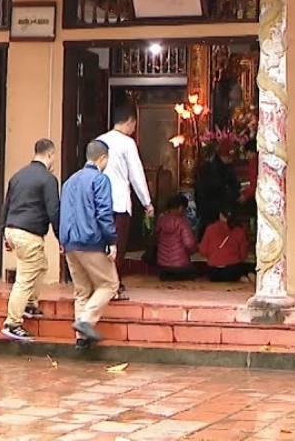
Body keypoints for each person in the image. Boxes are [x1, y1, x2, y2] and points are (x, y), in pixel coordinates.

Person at [0, 139, 60, 342]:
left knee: (41, 265)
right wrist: (62, 238)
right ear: (50, 154)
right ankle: (12, 323)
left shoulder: (18, 176)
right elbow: (54, 210)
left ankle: (30, 304)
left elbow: (6, 206)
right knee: (24, 280)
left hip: (12, 229)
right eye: (55, 156)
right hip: (29, 233)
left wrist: (3, 232)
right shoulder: (48, 179)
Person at [60, 139, 118, 350]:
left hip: (70, 243)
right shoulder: (100, 180)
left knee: (82, 290)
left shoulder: (69, 181)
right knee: (109, 284)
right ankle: (85, 322)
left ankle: (81, 339)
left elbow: (63, 213)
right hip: (90, 242)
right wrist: (111, 241)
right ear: (102, 158)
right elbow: (104, 214)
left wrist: (62, 240)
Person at [96, 105, 153, 301]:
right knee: (117, 245)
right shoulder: (127, 143)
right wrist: (147, 203)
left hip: (98, 202)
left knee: (101, 244)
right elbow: (136, 175)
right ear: (129, 122)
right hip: (119, 202)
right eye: (134, 125)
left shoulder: (99, 141)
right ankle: (113, 285)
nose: (133, 129)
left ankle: (101, 283)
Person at [194, 140, 240, 240]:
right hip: (214, 207)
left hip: (213, 207)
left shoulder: (219, 167)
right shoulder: (213, 170)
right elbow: (216, 188)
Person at [199, 205, 253, 283]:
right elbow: (243, 255)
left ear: (220, 215)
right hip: (232, 269)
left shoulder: (210, 228)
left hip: (214, 271)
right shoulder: (239, 230)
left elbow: (203, 251)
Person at [155, 194, 198, 281]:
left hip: (163, 267)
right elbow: (189, 244)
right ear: (181, 208)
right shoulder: (182, 222)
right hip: (181, 267)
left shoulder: (161, 220)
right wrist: (197, 249)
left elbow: (156, 238)